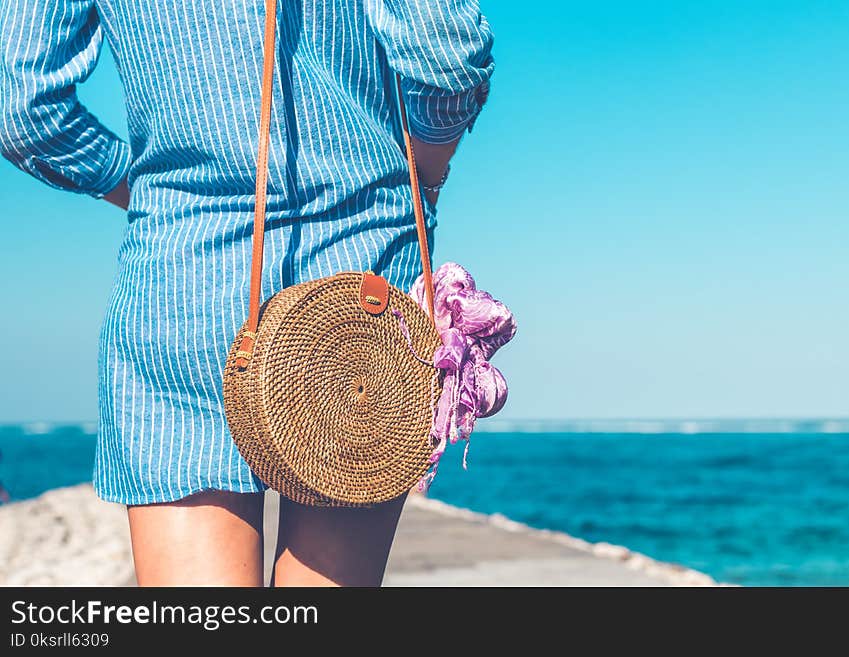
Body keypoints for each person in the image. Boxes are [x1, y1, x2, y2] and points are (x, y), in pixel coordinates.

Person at [0, 0, 494, 586]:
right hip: (361, 265)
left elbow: (25, 112)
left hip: (183, 276)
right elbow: (447, 54)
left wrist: (152, 193)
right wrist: (425, 172)